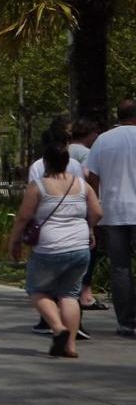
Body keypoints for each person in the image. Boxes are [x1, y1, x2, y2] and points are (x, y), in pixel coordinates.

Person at [10, 144, 102, 358]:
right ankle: (70, 346)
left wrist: (13, 242)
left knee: (37, 290)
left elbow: (23, 217)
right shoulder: (82, 184)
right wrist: (88, 229)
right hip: (80, 247)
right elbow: (98, 212)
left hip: (48, 248)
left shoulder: (38, 186)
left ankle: (58, 328)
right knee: (70, 295)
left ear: (46, 162)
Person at [85, 99, 136, 338]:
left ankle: (126, 322)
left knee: (120, 268)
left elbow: (92, 177)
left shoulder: (103, 140)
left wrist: (96, 200)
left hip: (114, 212)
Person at [70, 118, 107, 311]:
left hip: (63, 206)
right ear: (90, 134)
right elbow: (90, 177)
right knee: (89, 250)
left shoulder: (64, 151)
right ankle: (85, 293)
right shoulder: (87, 153)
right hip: (83, 205)